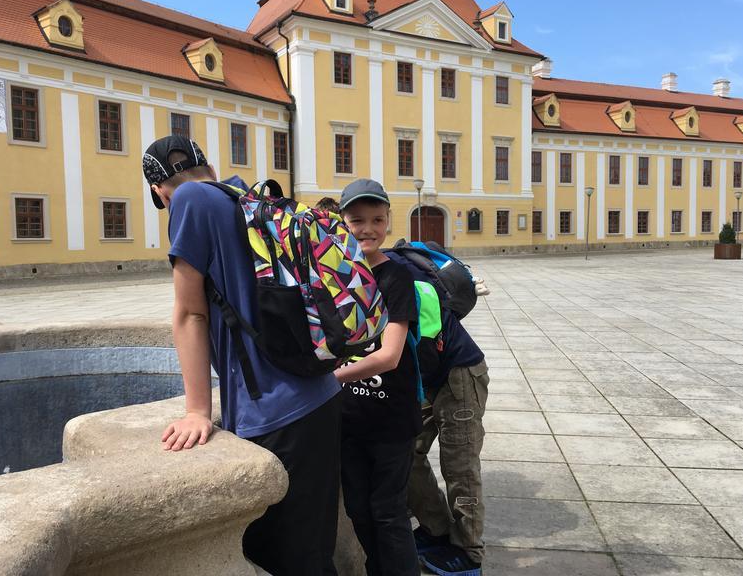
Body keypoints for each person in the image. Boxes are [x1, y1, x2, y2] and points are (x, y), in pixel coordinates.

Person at [143, 135, 342, 576]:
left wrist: (197, 411)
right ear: (211, 169)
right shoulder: (241, 194)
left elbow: (190, 313)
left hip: (275, 410)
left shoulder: (188, 200)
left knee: (284, 560)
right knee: (312, 553)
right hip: (317, 393)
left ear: (160, 193)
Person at [334, 179, 422, 576]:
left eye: (377, 220)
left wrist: (331, 378)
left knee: (388, 511)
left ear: (388, 222)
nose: (367, 229)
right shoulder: (333, 277)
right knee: (358, 509)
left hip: (391, 421)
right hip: (349, 422)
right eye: (356, 220)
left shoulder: (396, 277)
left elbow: (389, 356)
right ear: (341, 223)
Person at [407, 307, 489, 576]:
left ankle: (469, 551)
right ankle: (436, 527)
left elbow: (425, 346)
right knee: (404, 451)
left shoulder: (407, 284)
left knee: (459, 466)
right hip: (426, 375)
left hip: (458, 374)